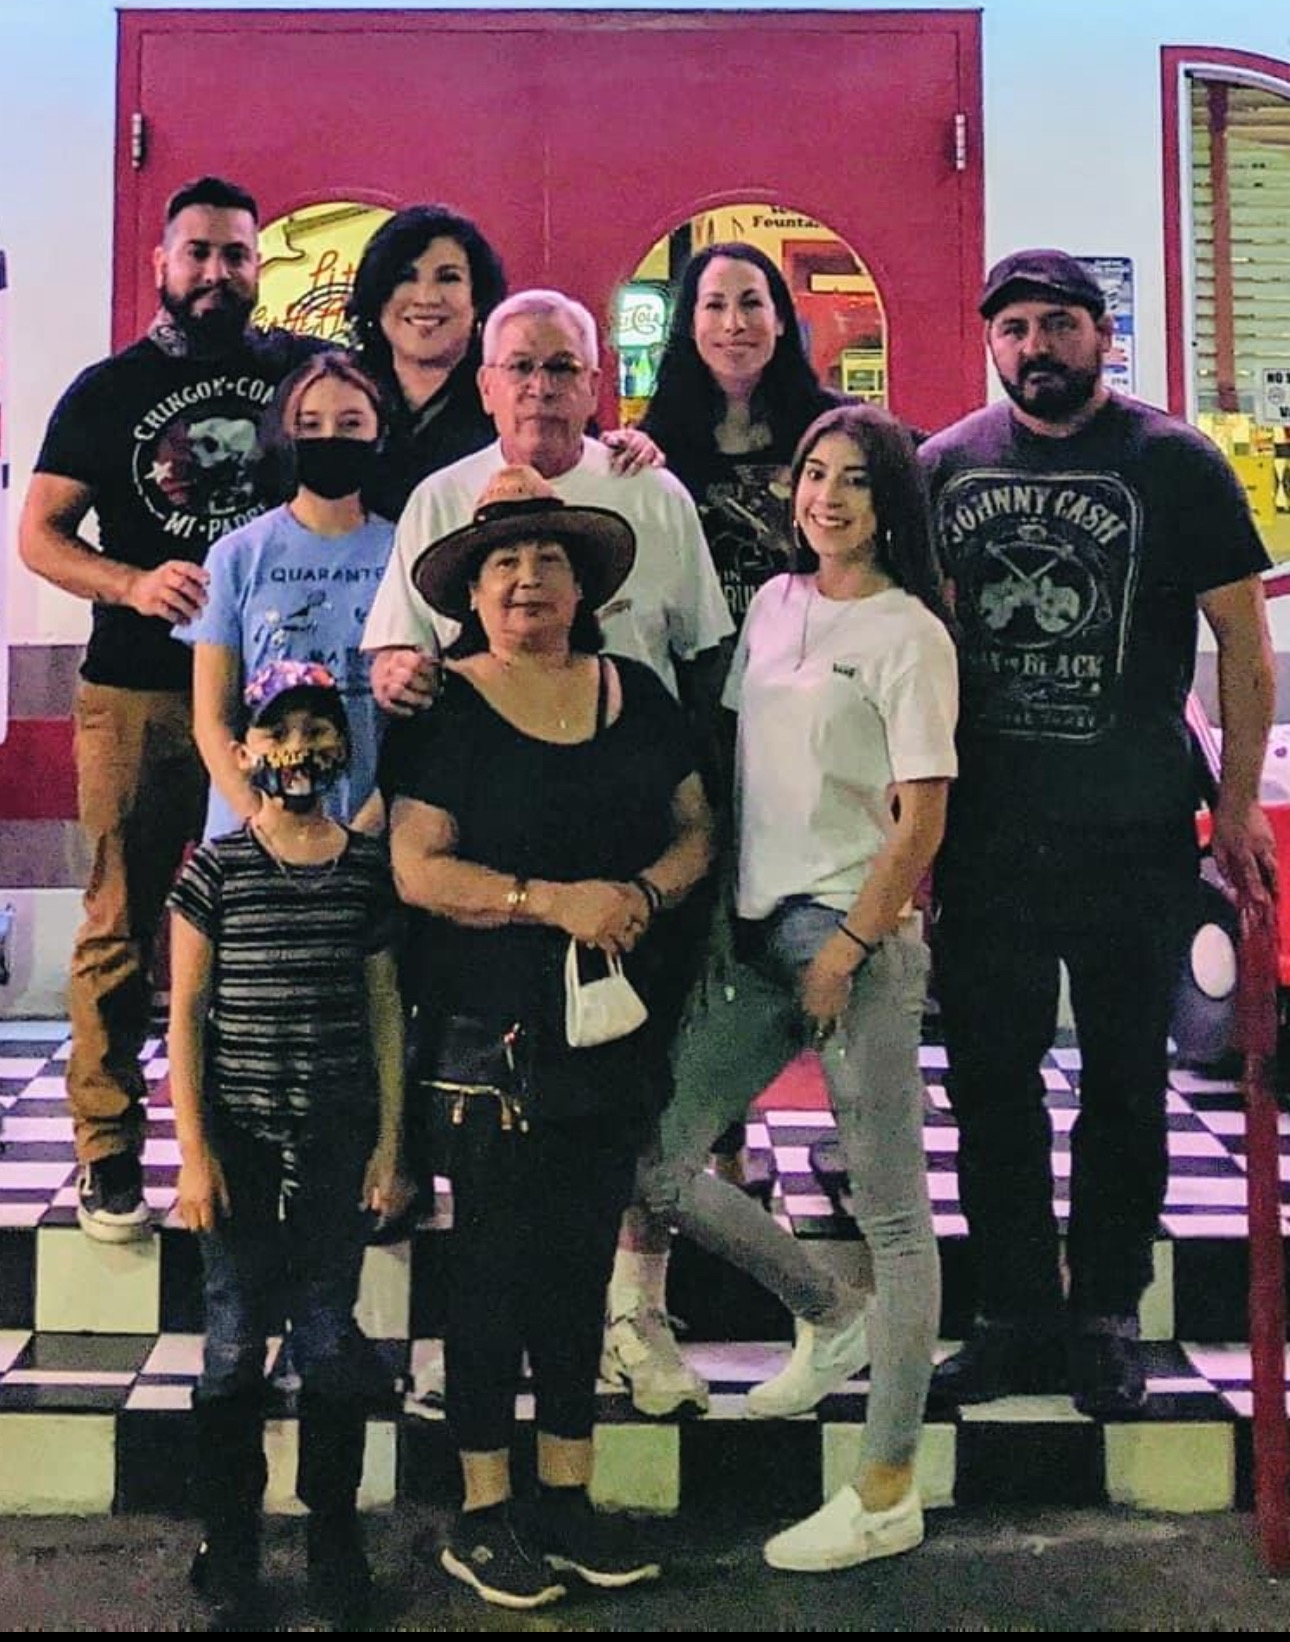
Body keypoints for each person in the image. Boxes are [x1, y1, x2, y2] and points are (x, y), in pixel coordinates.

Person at [920, 248, 1277, 1418]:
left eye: (1060, 324)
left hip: (1132, 833)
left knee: (1125, 1079)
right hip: (987, 838)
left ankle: (1108, 1313)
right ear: (991, 342)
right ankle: (1013, 1314)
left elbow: (1242, 638)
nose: (1038, 346)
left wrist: (1233, 806)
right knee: (990, 1084)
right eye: (1015, 327)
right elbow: (898, 651)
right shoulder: (944, 465)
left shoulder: (1176, 462)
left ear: (1103, 335)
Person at [382, 464, 714, 1608]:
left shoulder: (637, 693)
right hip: (488, 1039)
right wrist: (549, 901)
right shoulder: (448, 709)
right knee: (489, 1271)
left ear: (587, 588)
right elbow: (417, 866)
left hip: (610, 1032)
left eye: (551, 560)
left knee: (580, 1267)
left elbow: (695, 829)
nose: (529, 579)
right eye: (505, 563)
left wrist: (643, 895)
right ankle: (482, 1514)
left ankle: (567, 1497)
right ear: (471, 593)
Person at [639, 403, 957, 1571]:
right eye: (814, 474)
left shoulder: (910, 632)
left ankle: (885, 1487)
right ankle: (829, 1313)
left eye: (854, 480)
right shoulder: (774, 603)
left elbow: (921, 818)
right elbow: (740, 774)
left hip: (855, 937)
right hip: (755, 926)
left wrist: (851, 945)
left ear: (891, 502)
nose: (825, 496)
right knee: (656, 1159)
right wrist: (722, 921)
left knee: (895, 1215)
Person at [17, 176, 325, 1243]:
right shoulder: (108, 391)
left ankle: (264, 1141)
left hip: (277, 699)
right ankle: (107, 1148)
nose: (216, 273)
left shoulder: (298, 376)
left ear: (259, 266)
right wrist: (130, 582)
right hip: (138, 690)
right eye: (197, 252)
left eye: (236, 254)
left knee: (277, 920)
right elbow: (40, 533)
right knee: (121, 918)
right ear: (161, 263)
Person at [603, 240, 850, 1418]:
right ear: (685, 325)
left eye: (753, 301)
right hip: (696, 748)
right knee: (685, 985)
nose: (735, 321)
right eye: (713, 304)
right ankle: (640, 1292)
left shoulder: (832, 440)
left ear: (781, 317)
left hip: (811, 751)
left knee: (769, 970)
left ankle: (772, 1194)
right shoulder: (652, 453)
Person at [167, 659, 410, 1629]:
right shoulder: (216, 870)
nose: (299, 749)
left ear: (345, 747)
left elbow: (385, 1009)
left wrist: (389, 1144)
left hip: (336, 1139)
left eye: (317, 729)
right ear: (243, 751)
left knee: (328, 1340)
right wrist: (194, 1153)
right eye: (277, 731)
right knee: (233, 1343)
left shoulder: (364, 870)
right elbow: (187, 1015)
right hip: (240, 1140)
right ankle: (229, 1539)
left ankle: (333, 1537)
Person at [175, 350, 393, 840]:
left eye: (350, 423)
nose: (330, 438)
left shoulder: (403, 551)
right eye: (309, 425)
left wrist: (360, 836)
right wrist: (262, 824)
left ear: (378, 433)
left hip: (372, 833)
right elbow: (213, 720)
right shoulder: (235, 556)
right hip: (253, 834)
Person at [345, 203, 508, 522]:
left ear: (478, 297)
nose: (427, 297)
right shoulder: (338, 390)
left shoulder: (513, 395)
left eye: (448, 278)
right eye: (405, 277)